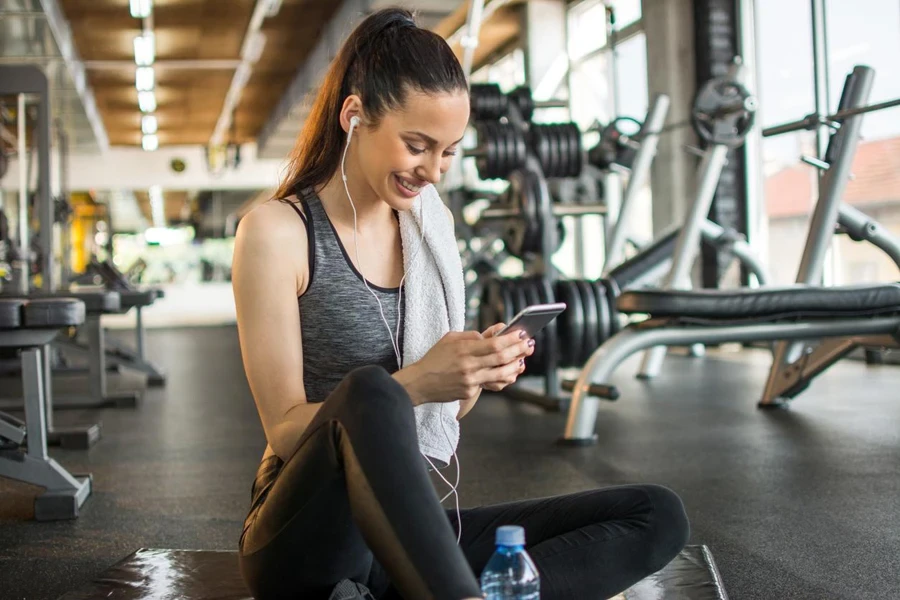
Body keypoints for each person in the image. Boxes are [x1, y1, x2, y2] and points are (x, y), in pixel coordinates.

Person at [232, 8, 689, 600]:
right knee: (369, 391)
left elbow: (438, 421)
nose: (432, 172)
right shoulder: (276, 231)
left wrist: (469, 376)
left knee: (656, 514)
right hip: (305, 539)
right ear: (354, 117)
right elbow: (287, 429)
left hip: (406, 535)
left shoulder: (429, 231)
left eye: (447, 152)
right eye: (416, 145)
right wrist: (418, 381)